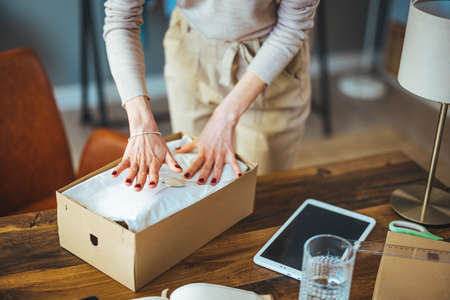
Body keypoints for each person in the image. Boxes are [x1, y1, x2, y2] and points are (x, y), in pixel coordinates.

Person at [104, 0, 319, 191]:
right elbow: (121, 19)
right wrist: (141, 125)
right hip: (190, 46)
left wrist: (225, 116)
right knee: (188, 186)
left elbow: (292, 26)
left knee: (260, 190)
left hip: (268, 62)